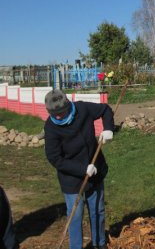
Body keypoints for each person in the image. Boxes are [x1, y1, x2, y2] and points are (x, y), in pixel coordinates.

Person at [44, 89, 114, 249]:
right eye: (55, 114)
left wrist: (108, 128)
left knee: (97, 211)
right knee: (75, 215)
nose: (59, 117)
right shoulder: (51, 128)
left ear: (68, 106)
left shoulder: (82, 109)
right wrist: (82, 169)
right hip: (71, 178)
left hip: (95, 169)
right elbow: (55, 158)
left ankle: (99, 244)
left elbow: (105, 109)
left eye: (61, 113)